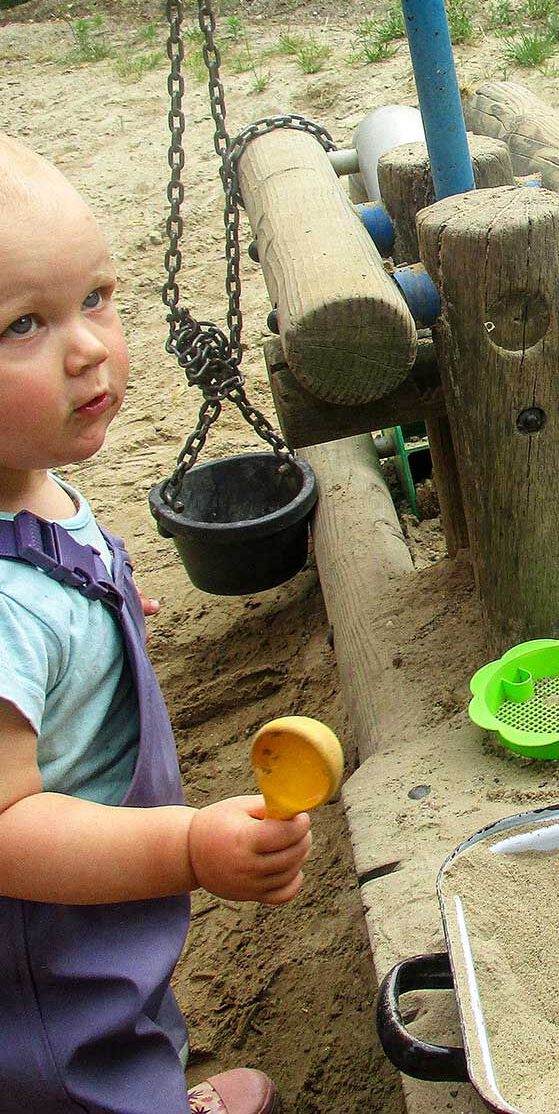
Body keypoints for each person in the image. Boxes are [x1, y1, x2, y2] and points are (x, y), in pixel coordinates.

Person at [0, 134, 314, 1114]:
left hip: (99, 932)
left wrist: (101, 597)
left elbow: (49, 580)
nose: (88, 345)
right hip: (44, 963)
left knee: (132, 1003)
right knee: (79, 1077)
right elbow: (6, 825)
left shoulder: (24, 480)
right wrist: (183, 851)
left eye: (94, 297)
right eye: (22, 325)